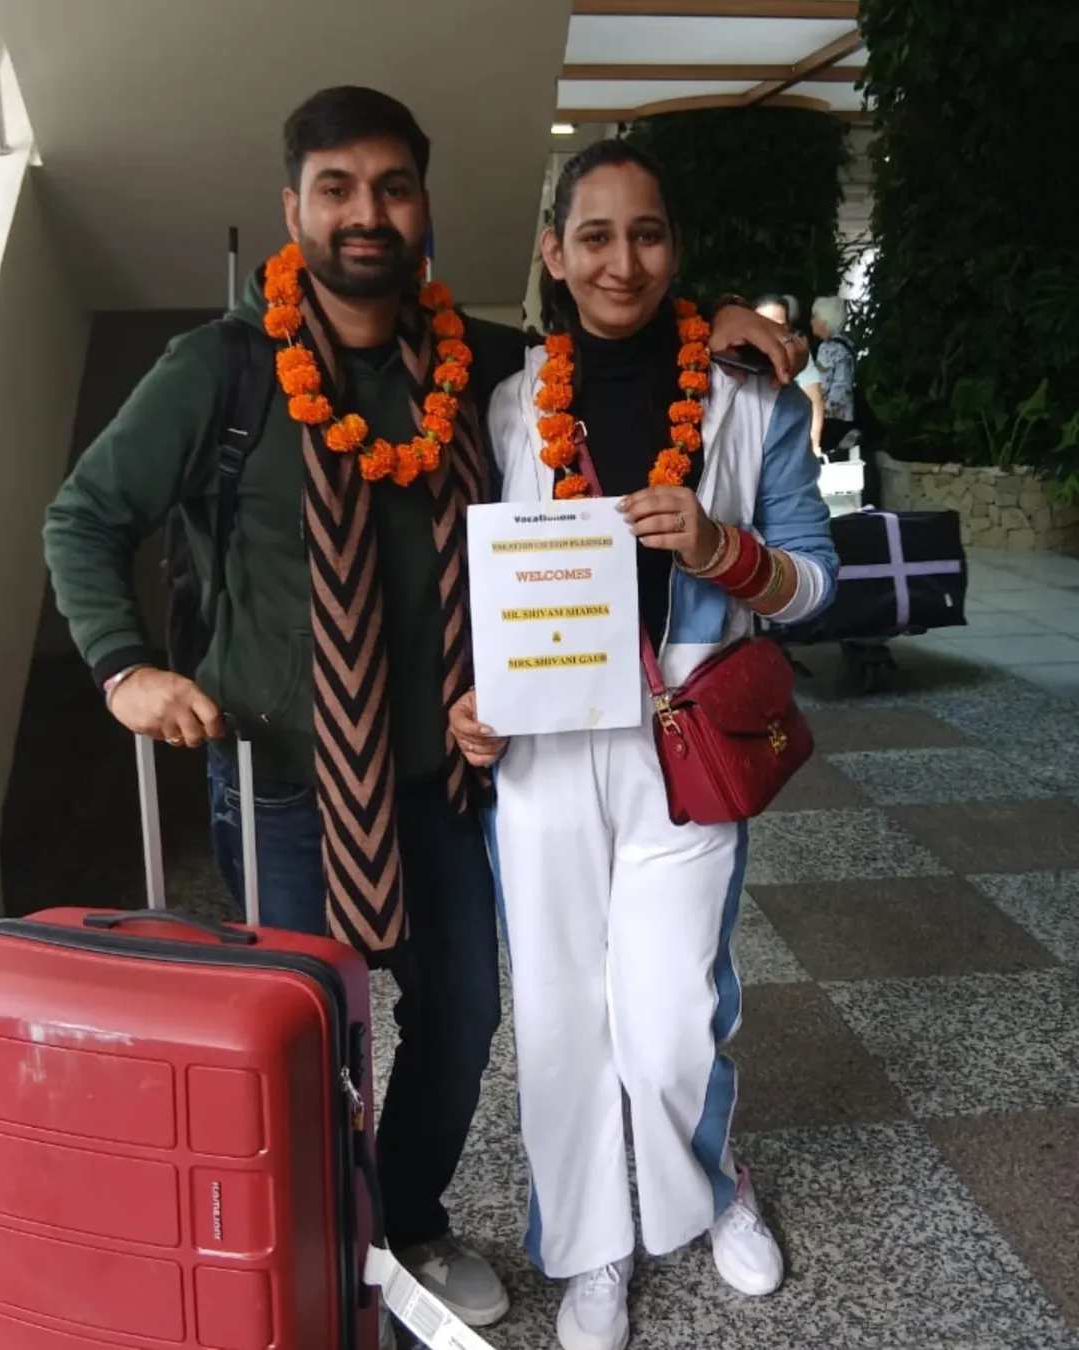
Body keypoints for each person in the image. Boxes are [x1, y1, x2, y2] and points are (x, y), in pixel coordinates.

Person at [43, 87, 809, 1347]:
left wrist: (718, 321)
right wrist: (125, 667)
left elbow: (618, 334)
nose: (366, 213)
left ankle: (406, 1221)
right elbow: (82, 519)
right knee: (303, 1027)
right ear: (294, 209)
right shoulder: (222, 370)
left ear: (426, 211)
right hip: (286, 771)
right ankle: (310, 1252)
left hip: (450, 767)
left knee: (461, 1022)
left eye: (392, 188)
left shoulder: (485, 362)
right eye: (336, 190)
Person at [451, 140, 838, 1350]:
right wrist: (465, 699)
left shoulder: (748, 401)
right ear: (556, 256)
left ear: (676, 248)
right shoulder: (505, 399)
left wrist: (725, 550)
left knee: (671, 1012)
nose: (625, 260)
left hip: (684, 728)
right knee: (564, 1007)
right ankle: (591, 1245)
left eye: (650, 233)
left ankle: (713, 1184)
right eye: (598, 236)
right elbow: (459, 577)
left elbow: (822, 585)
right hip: (545, 745)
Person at [755, 293, 825, 455]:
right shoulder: (735, 357)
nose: (771, 331)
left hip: (786, 448)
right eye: (764, 324)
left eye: (779, 325)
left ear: (788, 328)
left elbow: (815, 400)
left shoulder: (798, 358)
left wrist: (813, 448)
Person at [811, 295, 857, 450]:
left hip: (829, 416)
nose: (811, 321)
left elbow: (820, 387)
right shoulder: (846, 344)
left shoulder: (827, 348)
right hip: (846, 415)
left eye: (814, 317)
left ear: (824, 321)